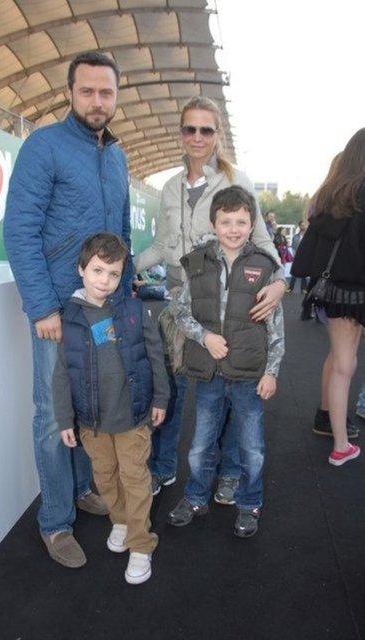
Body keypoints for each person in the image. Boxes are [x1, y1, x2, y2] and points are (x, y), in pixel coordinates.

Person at [3, 51, 132, 568]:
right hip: (57, 309)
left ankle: (81, 490)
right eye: (87, 91)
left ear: (116, 96)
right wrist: (42, 307)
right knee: (53, 414)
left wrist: (122, 300)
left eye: (106, 92)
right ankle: (55, 522)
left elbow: (120, 238)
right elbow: (20, 230)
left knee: (88, 406)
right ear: (70, 93)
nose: (97, 101)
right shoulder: (44, 146)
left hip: (101, 310)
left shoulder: (117, 158)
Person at [134, 96, 287, 497]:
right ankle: (164, 468)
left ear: (218, 134)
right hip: (180, 306)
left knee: (231, 394)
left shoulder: (237, 182)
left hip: (226, 310)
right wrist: (123, 269)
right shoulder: (170, 188)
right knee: (171, 391)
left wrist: (280, 282)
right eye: (190, 128)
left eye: (206, 129)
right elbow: (162, 246)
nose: (198, 137)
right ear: (181, 133)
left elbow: (262, 242)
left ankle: (230, 472)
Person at [166, 185, 285, 537]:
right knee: (200, 445)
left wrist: (271, 372)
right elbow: (180, 311)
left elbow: (276, 326)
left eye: (241, 222)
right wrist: (204, 337)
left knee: (252, 447)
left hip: (249, 374)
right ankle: (195, 497)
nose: (234, 229)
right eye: (226, 221)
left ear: (252, 224)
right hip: (209, 373)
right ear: (213, 223)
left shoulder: (265, 267)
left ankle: (249, 503)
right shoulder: (197, 262)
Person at [52, 233, 170, 584]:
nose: (104, 280)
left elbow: (155, 357)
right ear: (81, 269)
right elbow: (62, 373)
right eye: (97, 270)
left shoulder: (134, 310)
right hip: (92, 423)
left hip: (133, 417)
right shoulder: (69, 317)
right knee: (104, 476)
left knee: (135, 478)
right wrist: (64, 418)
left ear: (122, 275)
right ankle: (121, 520)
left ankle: (141, 543)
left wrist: (161, 398)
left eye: (113, 273)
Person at [292, 128, 365, 465]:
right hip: (355, 293)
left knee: (339, 360)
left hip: (333, 292)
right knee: (345, 365)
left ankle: (330, 423)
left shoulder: (331, 198)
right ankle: (340, 445)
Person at [288, 220, 308, 293]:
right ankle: (290, 288)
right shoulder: (295, 237)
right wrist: (295, 256)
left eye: (304, 225)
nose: (303, 226)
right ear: (299, 226)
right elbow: (293, 247)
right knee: (294, 272)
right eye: (302, 225)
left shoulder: (309, 236)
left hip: (305, 256)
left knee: (304, 273)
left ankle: (304, 288)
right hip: (297, 256)